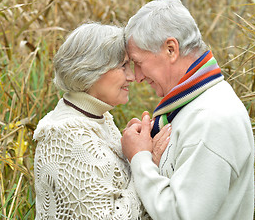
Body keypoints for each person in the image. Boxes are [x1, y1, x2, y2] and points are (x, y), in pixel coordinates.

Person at [121, 0, 255, 220]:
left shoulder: (211, 120)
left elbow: (182, 215)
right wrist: (151, 153)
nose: (137, 76)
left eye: (138, 62)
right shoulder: (193, 106)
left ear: (171, 49)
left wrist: (140, 158)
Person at [33, 23, 171, 219]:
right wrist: (147, 160)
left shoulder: (99, 118)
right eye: (123, 66)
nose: (132, 76)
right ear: (91, 70)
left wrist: (133, 150)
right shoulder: (66, 135)